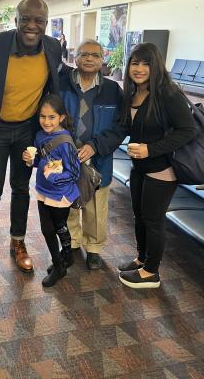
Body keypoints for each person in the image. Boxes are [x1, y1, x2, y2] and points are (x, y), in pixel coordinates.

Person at [0, 0, 62, 284]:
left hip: (26, 131)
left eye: (39, 21)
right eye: (26, 19)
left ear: (46, 24)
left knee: (22, 188)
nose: (32, 26)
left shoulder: (53, 47)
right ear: (16, 20)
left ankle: (18, 242)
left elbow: (53, 85)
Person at [118, 43, 196, 289]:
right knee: (139, 217)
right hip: (139, 167)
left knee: (153, 220)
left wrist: (150, 149)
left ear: (155, 66)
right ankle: (142, 258)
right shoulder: (131, 93)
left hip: (162, 169)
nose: (139, 69)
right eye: (135, 63)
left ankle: (151, 272)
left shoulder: (167, 93)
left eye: (146, 63)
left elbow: (187, 130)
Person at [60, 38, 125, 270]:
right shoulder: (62, 85)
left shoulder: (112, 90)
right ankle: (73, 242)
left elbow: (120, 127)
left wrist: (96, 145)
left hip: (99, 158)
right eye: (84, 54)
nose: (89, 58)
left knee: (96, 206)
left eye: (95, 55)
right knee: (68, 203)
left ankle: (94, 247)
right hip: (67, 157)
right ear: (74, 58)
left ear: (102, 60)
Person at [23, 94, 80, 287]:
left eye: (52, 117)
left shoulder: (65, 141)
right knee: (47, 229)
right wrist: (31, 161)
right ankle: (61, 261)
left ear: (61, 117)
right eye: (42, 116)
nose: (46, 121)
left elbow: (74, 171)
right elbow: (41, 162)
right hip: (43, 190)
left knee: (59, 226)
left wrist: (53, 177)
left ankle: (62, 261)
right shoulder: (39, 136)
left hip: (60, 194)